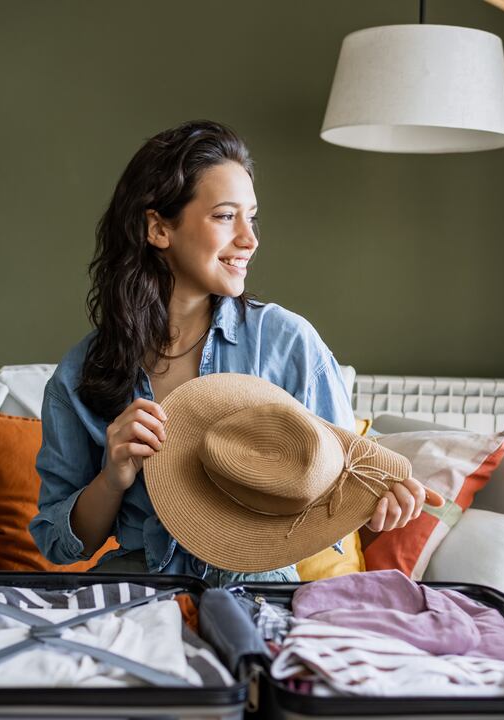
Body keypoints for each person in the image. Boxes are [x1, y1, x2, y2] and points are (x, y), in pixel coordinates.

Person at [28, 120, 425, 585]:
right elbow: (59, 546)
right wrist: (112, 477)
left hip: (259, 595)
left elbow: (343, 485)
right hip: (137, 589)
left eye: (251, 216)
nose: (250, 239)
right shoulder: (80, 374)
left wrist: (378, 504)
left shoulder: (288, 341)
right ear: (158, 228)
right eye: (224, 216)